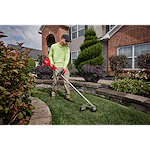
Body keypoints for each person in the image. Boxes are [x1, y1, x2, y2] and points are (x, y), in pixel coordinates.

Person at [48, 34, 74, 102]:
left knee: (66, 81)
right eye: (66, 41)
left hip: (64, 67)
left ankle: (68, 96)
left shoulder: (67, 48)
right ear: (62, 38)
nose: (67, 43)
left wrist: (64, 68)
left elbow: (67, 59)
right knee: (55, 81)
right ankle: (53, 94)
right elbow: (50, 56)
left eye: (68, 42)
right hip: (56, 67)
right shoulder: (53, 46)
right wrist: (52, 63)